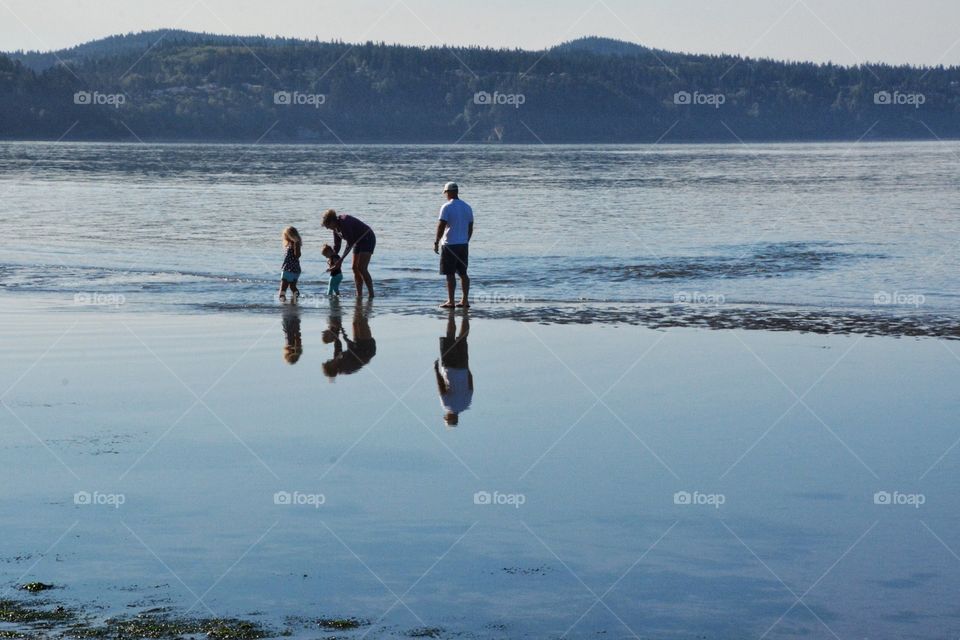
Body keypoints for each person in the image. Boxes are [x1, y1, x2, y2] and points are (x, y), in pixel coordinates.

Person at [434, 182, 473, 308]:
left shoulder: (446, 207)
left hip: (450, 244)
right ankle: (465, 300)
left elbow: (441, 225)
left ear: (449, 192)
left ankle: (450, 301)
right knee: (463, 273)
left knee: (449, 274)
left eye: (445, 192)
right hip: (463, 244)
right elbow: (470, 227)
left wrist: (436, 241)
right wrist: (466, 240)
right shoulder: (467, 207)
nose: (445, 195)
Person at [322, 209, 376, 299]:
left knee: (361, 268)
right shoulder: (335, 228)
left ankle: (371, 295)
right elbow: (337, 245)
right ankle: (359, 295)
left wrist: (340, 260)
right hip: (357, 241)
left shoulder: (344, 223)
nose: (327, 228)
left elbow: (349, 243)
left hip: (367, 238)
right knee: (354, 268)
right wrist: (332, 258)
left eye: (327, 225)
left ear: (332, 221)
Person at [434, 311, 473, 427]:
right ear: (449, 417)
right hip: (449, 367)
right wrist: (436, 370)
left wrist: (467, 368)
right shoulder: (447, 406)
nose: (445, 415)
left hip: (463, 368)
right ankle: (451, 315)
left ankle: (465, 315)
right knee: (449, 336)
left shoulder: (467, 404)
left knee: (463, 338)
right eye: (446, 417)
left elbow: (470, 384)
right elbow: (441, 387)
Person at [322, 300, 377, 378]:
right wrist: (345, 337)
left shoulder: (336, 360)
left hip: (357, 346)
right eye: (329, 363)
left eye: (328, 361)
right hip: (367, 350)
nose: (329, 360)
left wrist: (337, 329)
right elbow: (352, 350)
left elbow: (338, 344)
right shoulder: (346, 368)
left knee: (355, 322)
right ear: (332, 367)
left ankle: (359, 302)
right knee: (362, 321)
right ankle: (369, 302)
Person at [279, 226, 302, 301]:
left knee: (282, 291)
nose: (285, 238)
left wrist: (296, 245)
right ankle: (295, 303)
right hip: (294, 269)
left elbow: (298, 255)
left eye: (286, 236)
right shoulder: (289, 244)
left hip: (288, 269)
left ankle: (284, 308)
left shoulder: (295, 244)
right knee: (292, 287)